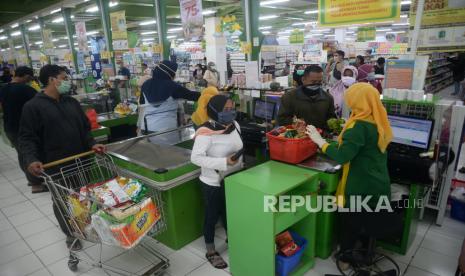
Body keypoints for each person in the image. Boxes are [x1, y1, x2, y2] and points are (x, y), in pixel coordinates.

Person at [306, 83, 398, 266]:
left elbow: (342, 155)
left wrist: (319, 141)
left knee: (350, 223)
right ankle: (365, 250)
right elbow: (352, 148)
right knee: (366, 223)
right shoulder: (376, 116)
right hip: (377, 183)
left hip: (360, 186)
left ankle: (346, 257)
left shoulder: (358, 125)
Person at [18, 64, 106, 250]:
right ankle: (70, 234)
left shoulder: (71, 102)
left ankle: (85, 224)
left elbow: (85, 129)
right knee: (62, 201)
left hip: (81, 161)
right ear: (52, 80)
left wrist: (92, 144)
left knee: (83, 196)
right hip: (56, 166)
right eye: (64, 78)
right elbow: (27, 138)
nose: (67, 82)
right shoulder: (33, 107)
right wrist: (31, 159)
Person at [190, 94, 243, 269]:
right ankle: (211, 250)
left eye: (232, 108)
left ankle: (232, 238)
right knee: (211, 217)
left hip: (232, 179)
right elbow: (196, 158)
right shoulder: (205, 132)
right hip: (212, 182)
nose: (230, 112)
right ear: (214, 111)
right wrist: (223, 162)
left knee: (230, 211)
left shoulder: (234, 125)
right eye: (225, 109)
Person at [0, 66, 46, 193]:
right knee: (30, 155)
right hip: (24, 128)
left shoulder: (3, 89)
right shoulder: (26, 89)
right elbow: (41, 103)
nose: (30, 80)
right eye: (30, 78)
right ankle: (36, 184)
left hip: (9, 127)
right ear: (25, 76)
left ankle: (31, 179)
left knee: (22, 154)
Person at [139, 60, 200, 133]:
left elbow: (141, 103)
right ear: (170, 74)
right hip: (166, 129)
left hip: (146, 128)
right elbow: (192, 96)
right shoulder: (172, 86)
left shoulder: (145, 84)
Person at [278, 65, 337, 130]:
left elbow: (331, 118)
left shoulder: (328, 98)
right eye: (313, 82)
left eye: (319, 82)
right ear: (303, 80)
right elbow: (281, 120)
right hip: (297, 137)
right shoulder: (289, 97)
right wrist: (296, 122)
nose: (316, 84)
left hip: (320, 137)